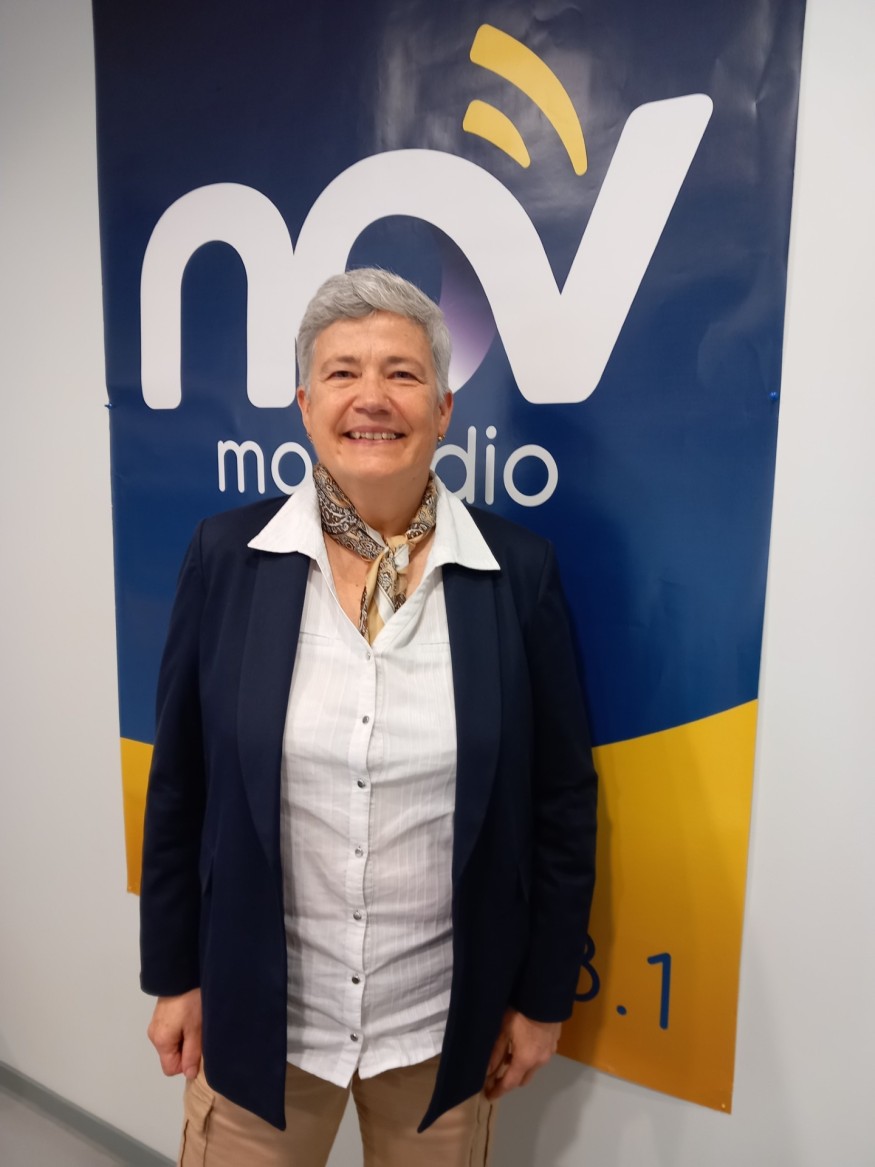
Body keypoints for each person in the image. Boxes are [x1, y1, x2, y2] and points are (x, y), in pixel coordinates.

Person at [140, 268, 597, 1166]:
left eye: (401, 372)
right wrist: (174, 974)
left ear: (444, 407)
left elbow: (560, 803)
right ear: (306, 406)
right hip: (257, 1021)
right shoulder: (226, 558)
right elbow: (179, 786)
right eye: (342, 372)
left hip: (437, 1028)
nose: (371, 397)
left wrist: (543, 998)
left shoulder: (517, 572)